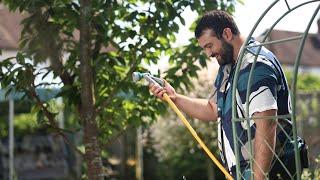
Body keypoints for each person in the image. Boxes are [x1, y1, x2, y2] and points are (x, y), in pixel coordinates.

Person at [149, 10, 308, 180]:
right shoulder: (229, 67)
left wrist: (258, 177)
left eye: (210, 46)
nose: (208, 54)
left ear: (226, 33)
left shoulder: (254, 66)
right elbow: (212, 108)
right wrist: (175, 97)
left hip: (273, 171)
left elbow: (267, 123)